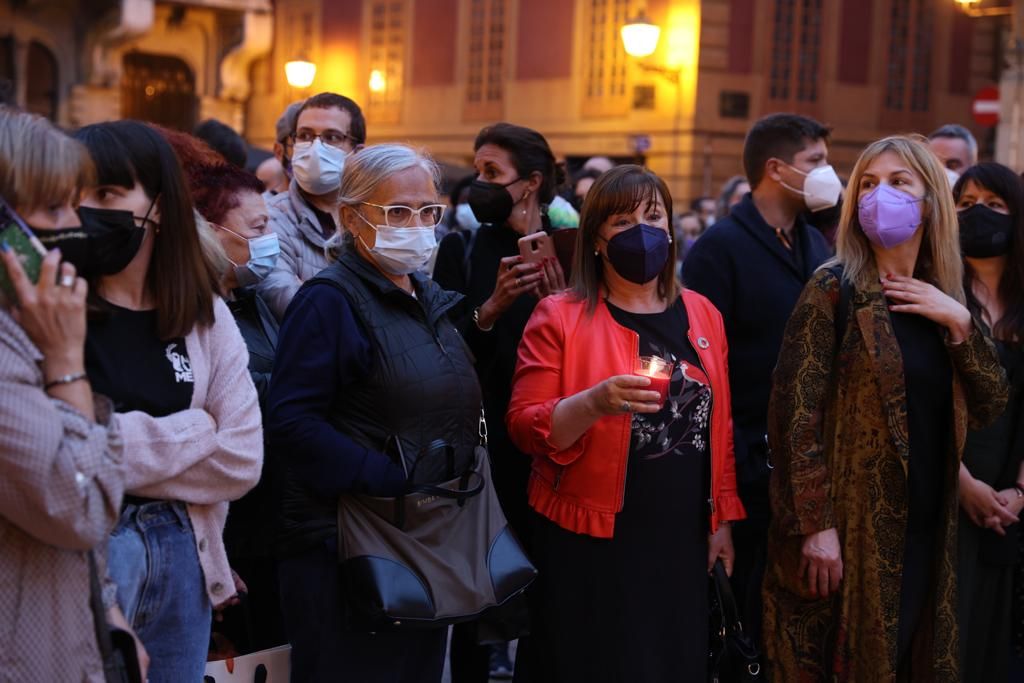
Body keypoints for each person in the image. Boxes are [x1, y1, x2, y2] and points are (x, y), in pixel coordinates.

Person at [763, 135, 1008, 681]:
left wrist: (961, 324)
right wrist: (814, 525)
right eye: (868, 184)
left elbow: (991, 402)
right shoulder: (834, 287)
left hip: (928, 527)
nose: (880, 196)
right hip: (849, 531)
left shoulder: (948, 295)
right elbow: (794, 416)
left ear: (929, 203)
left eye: (899, 183)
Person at [507, 164, 744, 682]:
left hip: (680, 532)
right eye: (621, 221)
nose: (642, 230)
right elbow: (525, 428)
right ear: (595, 240)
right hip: (591, 533)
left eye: (653, 215)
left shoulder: (703, 313)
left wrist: (721, 519)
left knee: (669, 661)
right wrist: (593, 402)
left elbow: (718, 429)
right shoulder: (559, 315)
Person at [267, 143, 481, 682]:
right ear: (351, 216)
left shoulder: (427, 296)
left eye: (428, 211)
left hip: (423, 538)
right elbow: (292, 422)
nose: (417, 225)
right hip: (347, 550)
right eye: (397, 212)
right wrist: (394, 479)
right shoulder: (328, 301)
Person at [73, 120, 263, 682]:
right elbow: (64, 460)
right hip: (90, 551)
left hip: (185, 551)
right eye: (76, 194)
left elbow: (242, 458)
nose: (87, 209)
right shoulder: (57, 309)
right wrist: (196, 430)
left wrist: (110, 445)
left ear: (159, 204)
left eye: (106, 193)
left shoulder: (203, 314)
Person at [0, 107, 148, 682]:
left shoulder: (26, 327)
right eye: (54, 208)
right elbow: (82, 508)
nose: (76, 227)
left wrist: (106, 609)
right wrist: (67, 367)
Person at [682, 113, 835, 649]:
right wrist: (735, 464)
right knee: (739, 618)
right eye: (815, 162)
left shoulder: (814, 244)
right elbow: (702, 371)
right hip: (744, 467)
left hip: (804, 465)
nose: (827, 173)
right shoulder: (719, 249)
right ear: (776, 168)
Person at [432, 122, 568, 683]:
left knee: (551, 594)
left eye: (493, 174)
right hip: (487, 449)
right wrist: (489, 309)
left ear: (531, 183)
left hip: (556, 442)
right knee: (477, 591)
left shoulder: (573, 247)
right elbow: (443, 352)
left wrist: (563, 302)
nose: (478, 184)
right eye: (477, 169)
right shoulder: (462, 249)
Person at [173, 144, 286, 653]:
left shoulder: (253, 299)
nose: (271, 242)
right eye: (258, 229)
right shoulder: (191, 319)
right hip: (228, 539)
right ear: (208, 231)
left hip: (273, 527)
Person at [950, 162, 1024, 681]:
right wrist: (963, 486)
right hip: (945, 490)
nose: (978, 214)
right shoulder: (936, 292)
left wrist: (1020, 491)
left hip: (1011, 501)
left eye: (994, 205)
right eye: (966, 203)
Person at [260, 92, 366, 320]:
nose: (316, 147)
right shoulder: (267, 220)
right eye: (305, 135)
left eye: (332, 137)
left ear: (357, 153)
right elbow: (288, 300)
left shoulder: (375, 218)